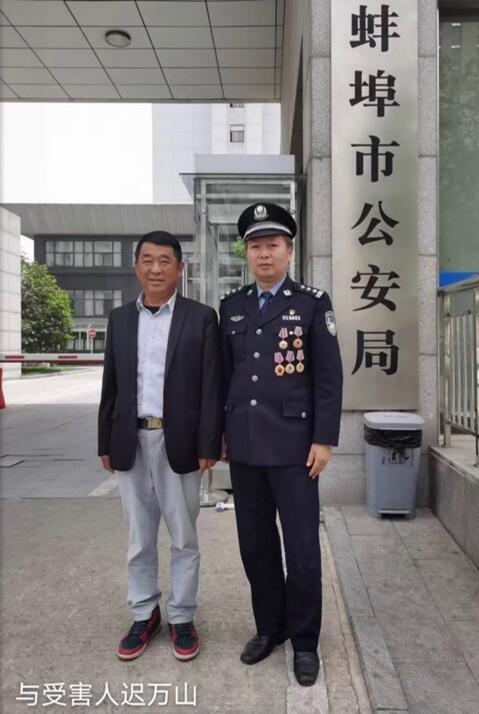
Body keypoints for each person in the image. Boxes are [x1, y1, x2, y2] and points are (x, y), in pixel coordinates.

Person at [219, 203, 343, 686]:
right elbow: (226, 377)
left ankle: (305, 641)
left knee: (302, 547)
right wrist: (221, 435)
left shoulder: (312, 303)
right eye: (255, 246)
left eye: (272, 245)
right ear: (247, 253)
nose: (264, 254)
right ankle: (270, 627)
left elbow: (328, 378)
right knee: (256, 545)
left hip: (295, 449)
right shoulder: (232, 306)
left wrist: (324, 439)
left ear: (289, 251)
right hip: (246, 447)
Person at [98, 230, 223, 662]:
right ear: (136, 267)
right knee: (139, 537)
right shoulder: (119, 319)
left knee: (184, 537)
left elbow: (211, 386)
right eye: (147, 260)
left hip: (179, 441)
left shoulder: (201, 317)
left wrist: (210, 443)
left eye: (165, 261)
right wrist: (105, 441)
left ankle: (182, 616)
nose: (156, 269)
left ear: (179, 269)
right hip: (130, 440)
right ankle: (144, 612)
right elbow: (111, 385)